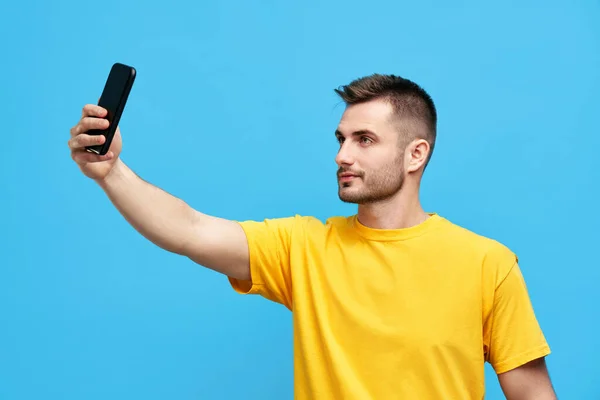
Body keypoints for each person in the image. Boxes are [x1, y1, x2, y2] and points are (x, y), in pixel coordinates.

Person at [68, 73, 557, 399]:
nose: (343, 155)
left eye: (364, 140)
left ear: (415, 154)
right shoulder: (304, 248)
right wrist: (111, 173)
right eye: (341, 139)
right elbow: (189, 229)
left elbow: (533, 394)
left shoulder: (487, 263)